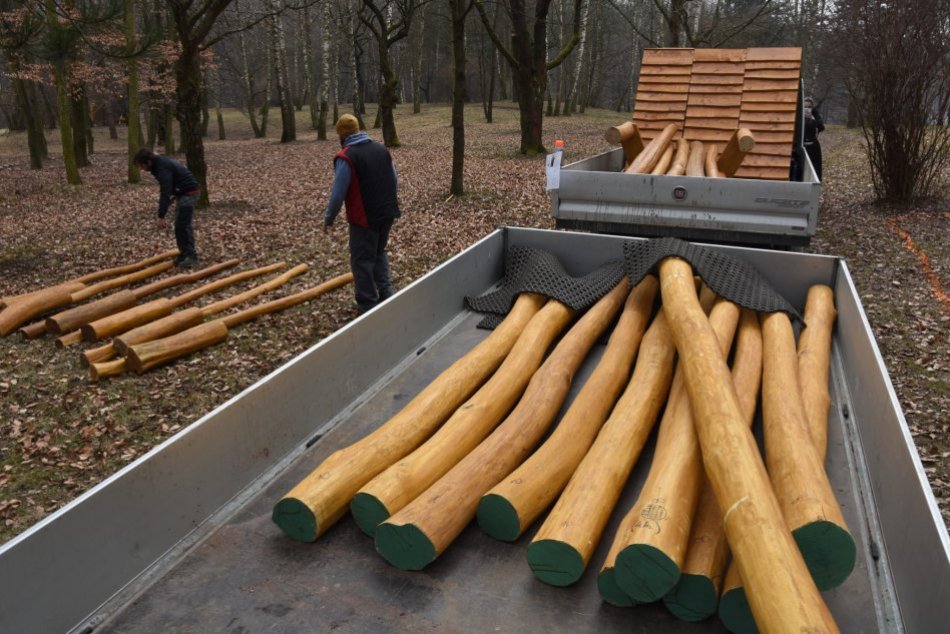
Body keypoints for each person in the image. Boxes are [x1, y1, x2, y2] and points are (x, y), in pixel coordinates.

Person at [324, 114, 401, 314]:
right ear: (358, 129)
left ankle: (367, 306)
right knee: (378, 251)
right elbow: (394, 180)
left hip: (364, 218)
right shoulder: (380, 148)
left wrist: (329, 218)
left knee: (362, 260)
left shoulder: (347, 156)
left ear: (341, 135)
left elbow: (338, 193)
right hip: (388, 213)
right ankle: (387, 293)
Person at [133, 148, 200, 268]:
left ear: (148, 162)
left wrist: (161, 215)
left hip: (189, 192)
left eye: (142, 165)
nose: (142, 169)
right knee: (179, 224)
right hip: (182, 192)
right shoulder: (158, 164)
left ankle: (191, 255)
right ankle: (184, 253)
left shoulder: (161, 168)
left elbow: (165, 191)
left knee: (183, 224)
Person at [803, 97, 825, 181]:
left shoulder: (814, 116)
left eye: (809, 107)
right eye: (805, 107)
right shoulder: (799, 116)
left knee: (814, 168)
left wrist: (812, 118)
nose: (807, 109)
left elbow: (821, 127)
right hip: (802, 146)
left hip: (813, 147)